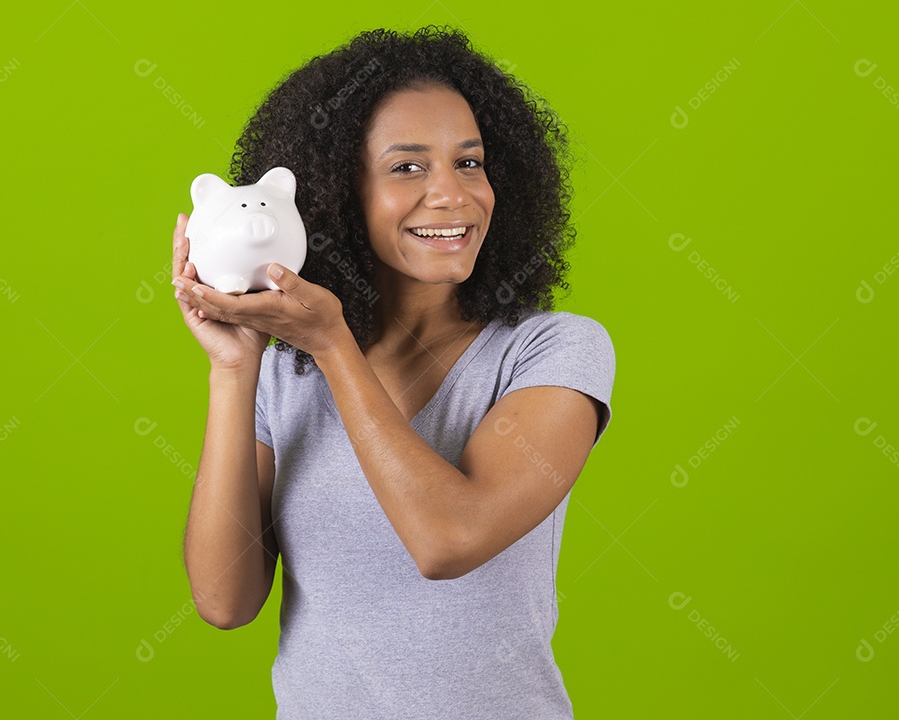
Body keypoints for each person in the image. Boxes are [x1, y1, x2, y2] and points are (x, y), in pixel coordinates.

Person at [171, 25, 615, 719]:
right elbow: (225, 600)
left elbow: (448, 541)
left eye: (469, 162)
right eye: (408, 167)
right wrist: (234, 369)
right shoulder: (286, 371)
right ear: (336, 195)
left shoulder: (550, 351)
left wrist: (333, 346)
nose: (453, 195)